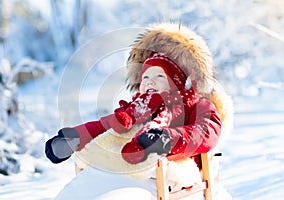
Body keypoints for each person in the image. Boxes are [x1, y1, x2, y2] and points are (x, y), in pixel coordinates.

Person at [45, 22, 233, 198]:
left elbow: (205, 132)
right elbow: (106, 126)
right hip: (124, 165)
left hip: (169, 171)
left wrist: (166, 138)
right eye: (145, 77)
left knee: (121, 189)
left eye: (160, 75)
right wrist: (77, 136)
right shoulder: (137, 109)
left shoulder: (194, 105)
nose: (150, 81)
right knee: (93, 179)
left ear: (177, 82)